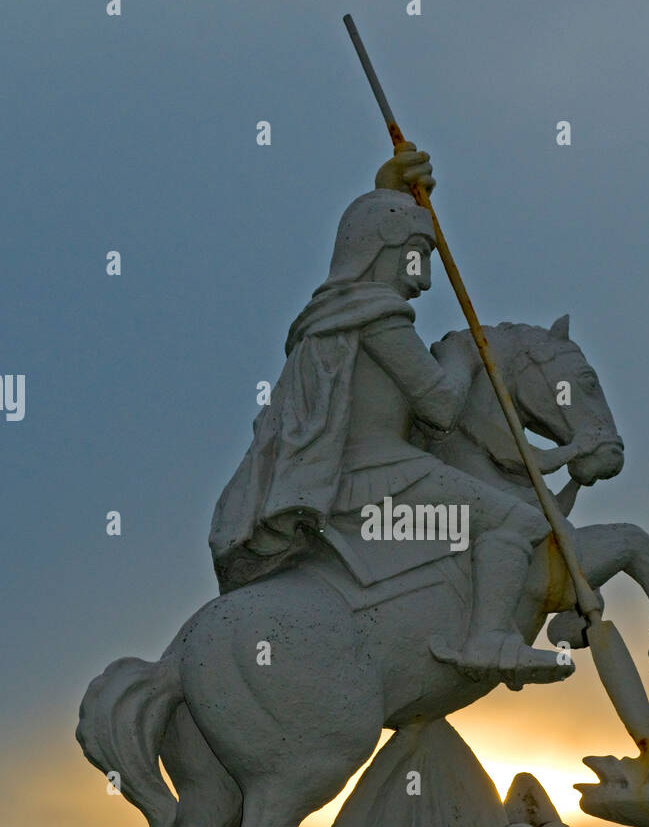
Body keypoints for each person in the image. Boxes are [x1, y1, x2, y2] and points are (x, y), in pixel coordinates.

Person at [210, 147, 568, 684]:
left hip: (358, 475)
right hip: (381, 476)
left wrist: (393, 189)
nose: (423, 282)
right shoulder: (380, 318)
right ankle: (489, 639)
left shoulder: (335, 315)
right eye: (417, 259)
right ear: (382, 250)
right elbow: (441, 408)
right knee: (515, 520)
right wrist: (461, 356)